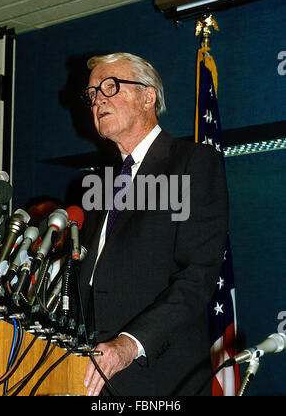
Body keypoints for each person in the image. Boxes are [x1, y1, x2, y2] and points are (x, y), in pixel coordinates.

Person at [78, 52, 228, 396]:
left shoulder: (191, 163)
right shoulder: (102, 184)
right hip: (90, 376)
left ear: (148, 97)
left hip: (160, 379)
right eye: (92, 94)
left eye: (110, 86)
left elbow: (197, 276)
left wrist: (130, 344)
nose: (98, 98)